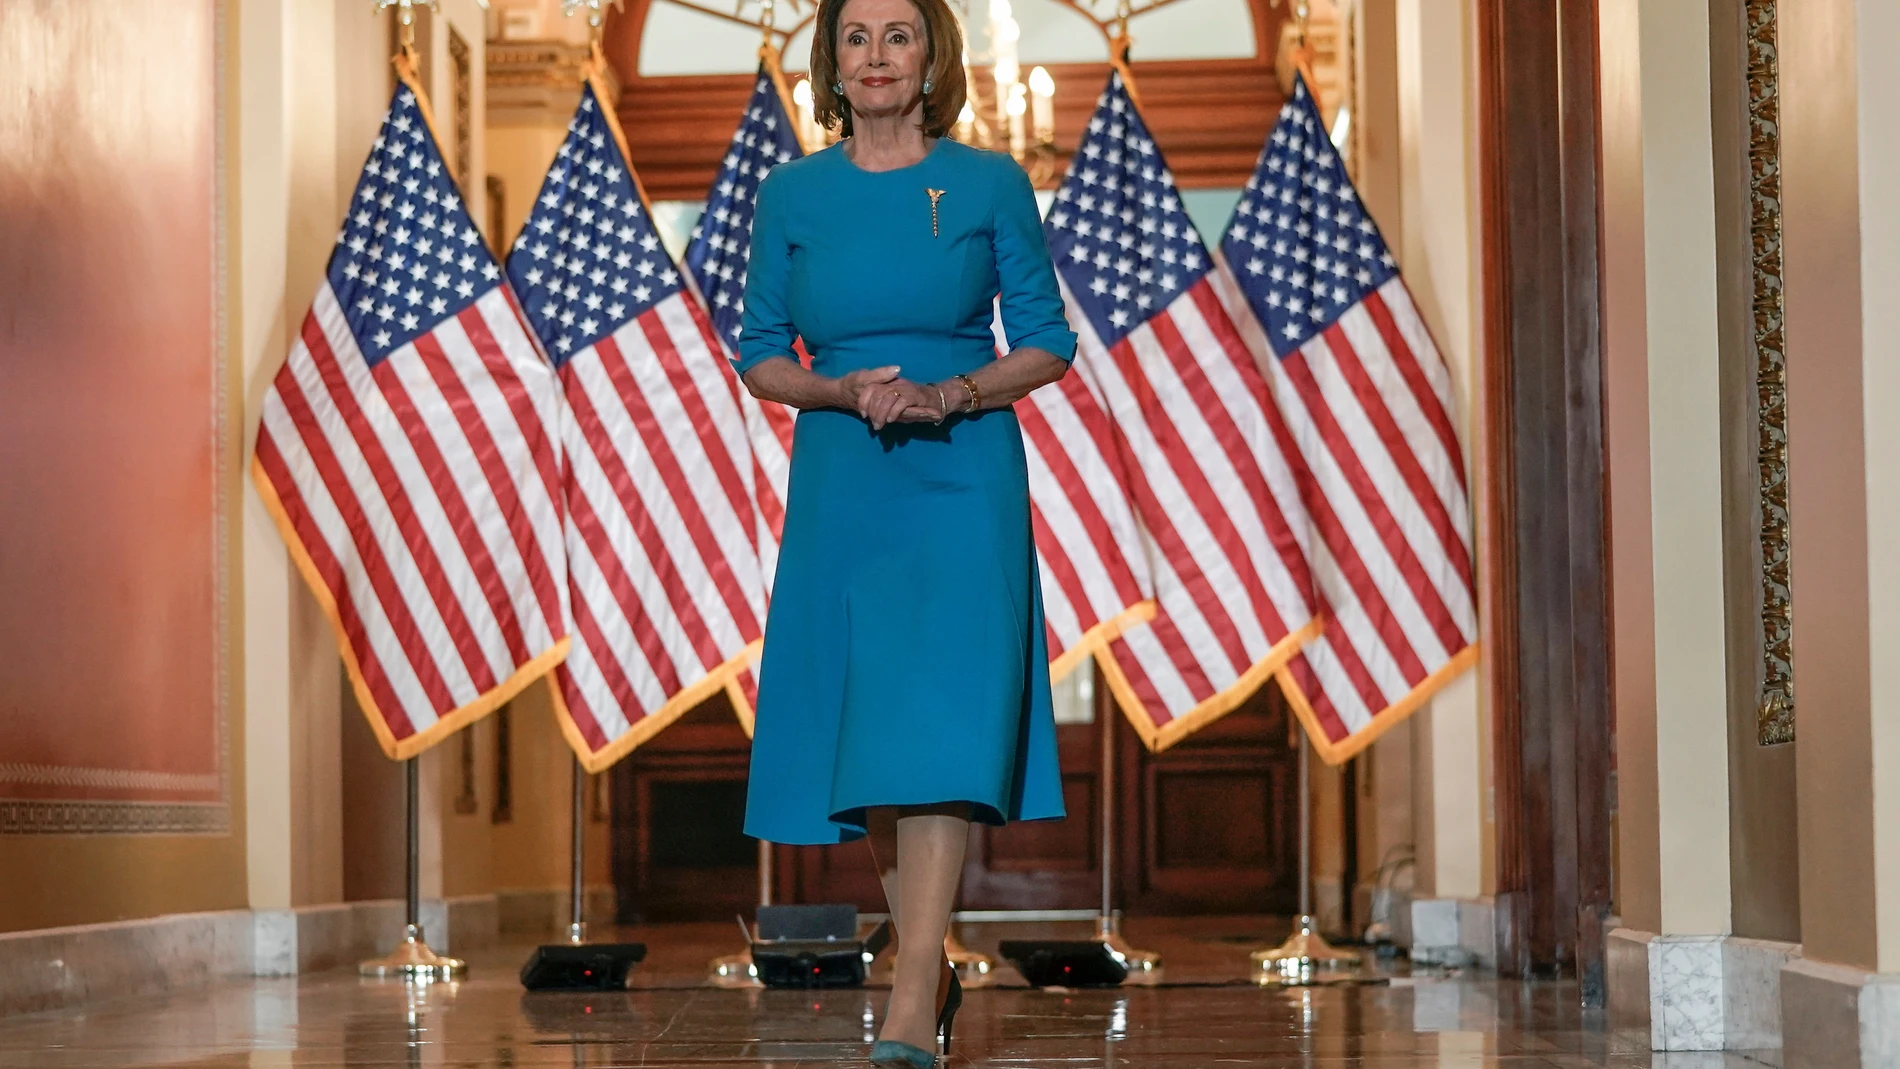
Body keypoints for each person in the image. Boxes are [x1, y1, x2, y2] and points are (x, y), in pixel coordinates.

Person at [731, 0, 1077, 1061]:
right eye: (855, 36)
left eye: (898, 34)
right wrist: (841, 391)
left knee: (937, 730)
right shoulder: (790, 192)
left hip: (960, 475)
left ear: (933, 56)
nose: (876, 54)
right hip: (846, 476)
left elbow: (1050, 342)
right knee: (874, 738)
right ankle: (925, 966)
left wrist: (955, 394)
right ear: (831, 62)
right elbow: (758, 351)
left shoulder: (988, 184)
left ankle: (915, 981)